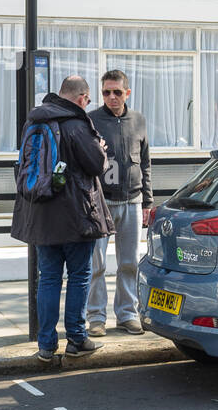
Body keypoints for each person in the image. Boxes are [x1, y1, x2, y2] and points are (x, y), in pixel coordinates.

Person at [11, 75, 115, 363]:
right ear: (81, 97)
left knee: (49, 279)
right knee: (79, 277)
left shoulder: (34, 121)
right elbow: (95, 165)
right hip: (75, 216)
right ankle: (77, 339)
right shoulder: (76, 124)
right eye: (89, 98)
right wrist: (102, 151)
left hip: (41, 216)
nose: (88, 103)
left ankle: (46, 345)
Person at [87, 69, 152, 336]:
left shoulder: (138, 120)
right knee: (96, 265)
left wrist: (148, 202)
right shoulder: (90, 120)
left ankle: (127, 314)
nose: (111, 97)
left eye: (116, 92)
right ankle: (96, 318)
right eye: (105, 92)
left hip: (133, 201)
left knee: (130, 263)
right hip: (100, 203)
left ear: (127, 92)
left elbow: (146, 162)